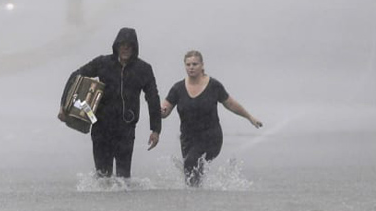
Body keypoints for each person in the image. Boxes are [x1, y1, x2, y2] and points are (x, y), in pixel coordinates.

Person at [59, 27, 161, 179]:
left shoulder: (144, 69)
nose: (125, 49)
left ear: (135, 47)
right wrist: (64, 105)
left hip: (126, 129)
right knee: (102, 176)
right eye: (122, 45)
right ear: (117, 46)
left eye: (129, 46)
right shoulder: (103, 63)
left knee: (123, 177)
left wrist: (155, 129)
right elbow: (76, 75)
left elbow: (153, 98)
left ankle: (122, 203)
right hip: (101, 126)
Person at [160, 50, 262, 186]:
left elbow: (230, 104)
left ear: (202, 65)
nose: (191, 67)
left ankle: (193, 197)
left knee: (191, 163)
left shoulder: (214, 86)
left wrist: (250, 117)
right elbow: (164, 111)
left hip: (211, 137)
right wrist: (160, 111)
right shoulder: (177, 88)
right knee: (192, 169)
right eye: (188, 64)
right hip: (188, 139)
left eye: (195, 64)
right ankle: (199, 197)